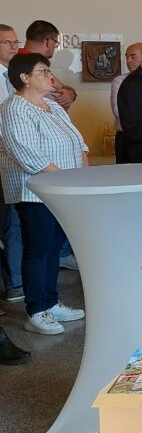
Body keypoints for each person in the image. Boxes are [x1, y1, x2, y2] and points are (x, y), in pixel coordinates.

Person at [0, 53, 87, 336]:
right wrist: (65, 178)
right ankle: (36, 310)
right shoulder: (14, 107)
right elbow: (26, 152)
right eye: (43, 72)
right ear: (24, 78)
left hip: (64, 189)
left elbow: (78, 140)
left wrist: (84, 174)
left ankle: (51, 302)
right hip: (34, 191)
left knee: (53, 248)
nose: (51, 77)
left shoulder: (53, 106)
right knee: (38, 249)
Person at [0, 24, 24, 307]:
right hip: (3, 155)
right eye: (7, 42)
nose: (13, 46)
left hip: (16, 161)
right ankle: (12, 283)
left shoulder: (17, 76)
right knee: (8, 224)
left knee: (15, 223)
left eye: (15, 41)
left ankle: (16, 283)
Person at [110, 43, 142, 163]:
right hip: (127, 138)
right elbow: (118, 110)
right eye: (126, 57)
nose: (128, 60)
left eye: (133, 56)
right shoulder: (119, 81)